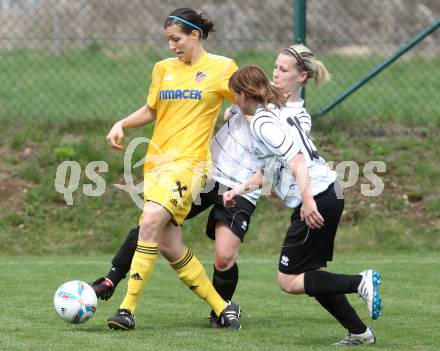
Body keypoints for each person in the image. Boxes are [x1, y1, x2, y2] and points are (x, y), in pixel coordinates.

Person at [91, 44, 325, 327]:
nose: (276, 73)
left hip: (241, 186)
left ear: (302, 77)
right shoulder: (256, 95)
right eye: (275, 66)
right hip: (209, 175)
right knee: (153, 219)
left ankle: (220, 309)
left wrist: (297, 192)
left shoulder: (297, 117)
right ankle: (110, 280)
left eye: (283, 70)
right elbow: (229, 106)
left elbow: (288, 158)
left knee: (224, 257)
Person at [104, 8, 242, 330]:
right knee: (168, 245)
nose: (171, 46)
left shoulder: (222, 68)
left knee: (150, 220)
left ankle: (127, 309)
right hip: (156, 165)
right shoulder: (162, 69)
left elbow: (247, 104)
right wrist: (122, 123)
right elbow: (152, 109)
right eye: (168, 40)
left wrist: (242, 120)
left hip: (192, 165)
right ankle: (222, 306)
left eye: (176, 39)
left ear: (195, 35)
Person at [223, 64, 382, 345]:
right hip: (328, 192)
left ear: (245, 94)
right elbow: (274, 167)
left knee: (289, 280)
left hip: (318, 196)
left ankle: (359, 282)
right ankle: (359, 333)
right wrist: (240, 188)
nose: (234, 100)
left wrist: (307, 201)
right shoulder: (272, 116)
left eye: (235, 94)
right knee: (310, 276)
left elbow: (297, 160)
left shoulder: (263, 122)